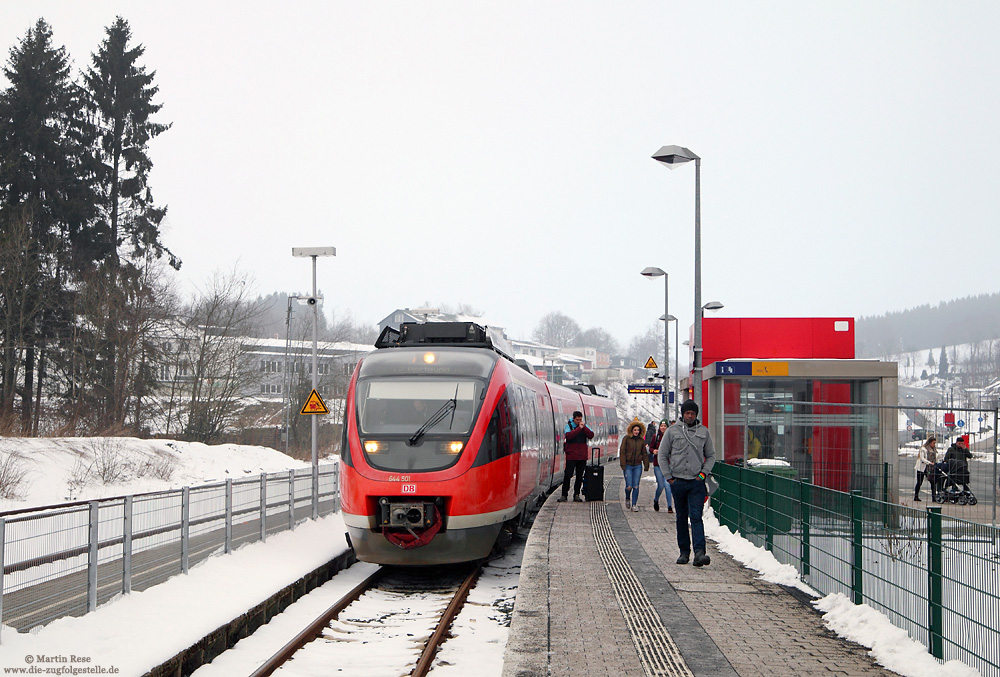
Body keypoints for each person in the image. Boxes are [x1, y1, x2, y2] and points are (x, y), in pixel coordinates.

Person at [660, 400, 716, 567]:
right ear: (683, 414)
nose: (690, 416)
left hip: (696, 482)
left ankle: (700, 553)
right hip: (677, 481)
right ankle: (684, 552)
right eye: (687, 413)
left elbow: (711, 455)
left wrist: (702, 474)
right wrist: (669, 477)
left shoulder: (704, 432)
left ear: (696, 415)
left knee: (696, 517)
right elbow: (662, 455)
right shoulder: (672, 431)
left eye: (692, 413)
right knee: (681, 517)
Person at [556, 410, 594, 503]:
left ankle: (576, 494)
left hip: (582, 456)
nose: (579, 421)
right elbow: (568, 436)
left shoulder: (584, 426)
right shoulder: (568, 426)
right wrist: (578, 429)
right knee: (568, 475)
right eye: (577, 420)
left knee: (579, 476)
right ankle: (564, 495)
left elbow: (591, 435)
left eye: (580, 419)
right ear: (573, 419)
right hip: (571, 456)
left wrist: (583, 427)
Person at [619, 420, 649, 512]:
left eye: (638, 430)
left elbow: (644, 453)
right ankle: (627, 497)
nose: (636, 431)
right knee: (629, 486)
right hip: (627, 465)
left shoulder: (641, 441)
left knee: (636, 485)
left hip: (637, 465)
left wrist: (646, 464)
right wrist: (623, 464)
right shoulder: (626, 439)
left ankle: (634, 504)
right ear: (631, 430)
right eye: (635, 430)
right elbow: (622, 451)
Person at [649, 420, 674, 513]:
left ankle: (670, 506)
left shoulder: (671, 437)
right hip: (658, 465)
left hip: (669, 465)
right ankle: (656, 500)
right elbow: (650, 448)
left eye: (665, 426)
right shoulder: (656, 437)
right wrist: (653, 451)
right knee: (661, 485)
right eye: (661, 426)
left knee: (668, 485)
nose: (663, 427)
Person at [913, 436, 937, 501]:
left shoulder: (934, 449)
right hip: (921, 467)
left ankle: (934, 497)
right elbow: (922, 458)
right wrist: (929, 462)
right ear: (929, 443)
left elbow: (935, 457)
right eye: (933, 443)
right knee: (919, 482)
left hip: (929, 468)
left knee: (933, 481)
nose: (934, 445)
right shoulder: (923, 449)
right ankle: (916, 496)